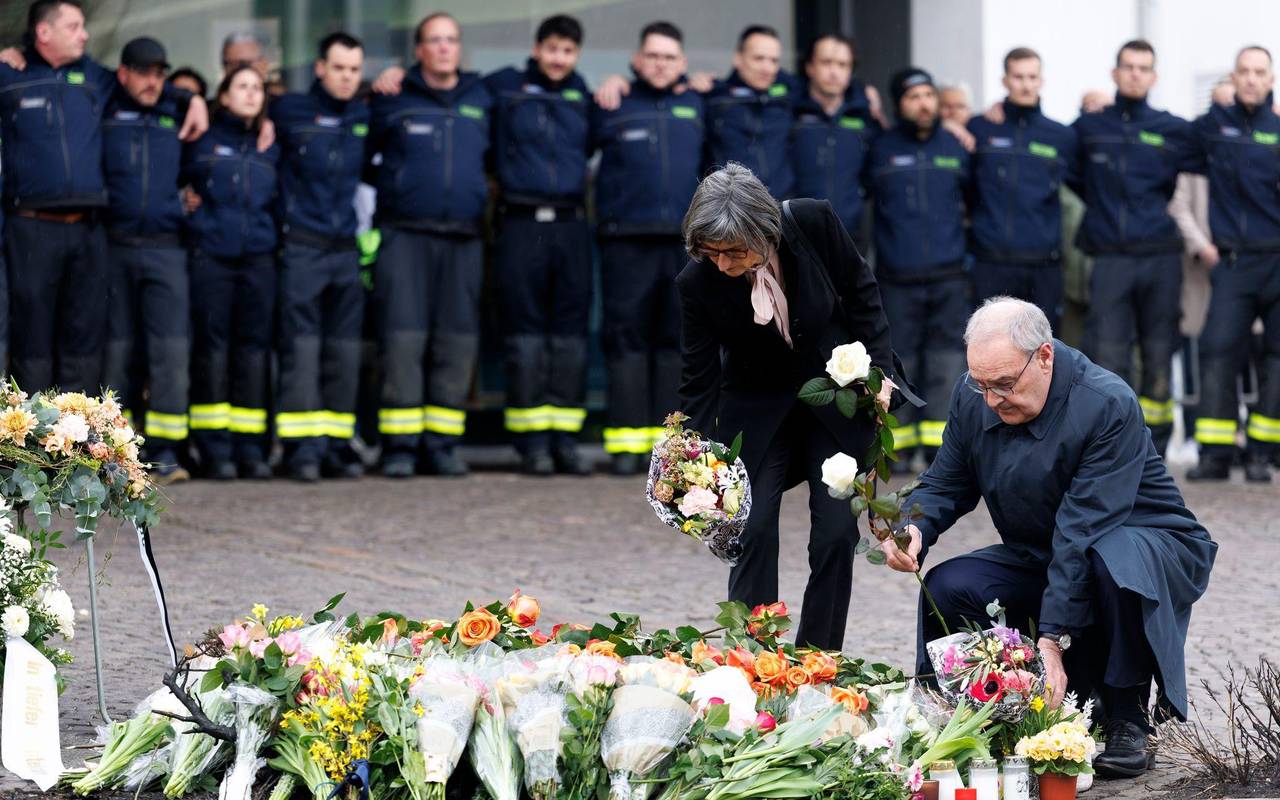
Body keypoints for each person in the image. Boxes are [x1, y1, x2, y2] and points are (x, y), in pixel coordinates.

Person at [892, 297, 1216, 779]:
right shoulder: (974, 395)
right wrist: (913, 526)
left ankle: (1128, 714)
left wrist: (1051, 641)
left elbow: (1083, 530)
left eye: (1004, 384)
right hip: (1045, 550)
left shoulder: (1107, 404)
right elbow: (946, 480)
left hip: (1143, 546)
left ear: (1044, 356)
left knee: (1111, 559)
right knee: (949, 584)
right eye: (981, 384)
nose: (992, 400)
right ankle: (968, 709)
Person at [677, 162, 918, 651]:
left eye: (734, 252)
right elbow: (698, 379)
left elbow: (862, 293)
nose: (722, 264)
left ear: (764, 232)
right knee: (753, 527)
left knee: (834, 536)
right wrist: (694, 462)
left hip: (833, 402)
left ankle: (818, 658)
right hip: (758, 410)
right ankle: (754, 653)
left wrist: (882, 376)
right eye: (711, 253)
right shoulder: (696, 283)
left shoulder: (812, 222)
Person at [0, 0, 206, 394]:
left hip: (88, 230)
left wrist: (190, 99)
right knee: (33, 336)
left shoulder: (96, 77)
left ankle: (78, 444)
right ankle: (30, 444)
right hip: (30, 228)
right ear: (44, 33)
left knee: (85, 337)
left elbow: (143, 84)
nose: (86, 34)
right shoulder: (11, 76)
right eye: (75, 26)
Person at [365, 13, 492, 478]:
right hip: (405, 234)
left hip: (462, 237)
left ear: (460, 48)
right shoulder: (392, 97)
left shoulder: (483, 96)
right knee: (402, 341)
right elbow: (364, 159)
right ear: (418, 50)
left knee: (455, 344)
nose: (443, 48)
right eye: (434, 41)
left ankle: (441, 445)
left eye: (451, 40)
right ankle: (399, 446)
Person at [592, 21, 704, 474]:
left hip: (685, 245)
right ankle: (625, 444)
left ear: (683, 63)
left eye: (669, 57)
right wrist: (608, 84)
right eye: (652, 56)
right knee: (627, 340)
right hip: (627, 241)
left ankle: (670, 450)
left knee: (676, 344)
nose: (660, 64)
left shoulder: (698, 105)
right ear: (637, 61)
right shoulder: (612, 104)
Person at [485, 15, 594, 475]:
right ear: (536, 48)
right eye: (551, 49)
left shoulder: (585, 97)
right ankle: (530, 442)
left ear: (576, 55)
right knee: (525, 333)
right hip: (521, 223)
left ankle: (564, 439)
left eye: (567, 51)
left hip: (570, 224)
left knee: (569, 333)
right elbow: (452, 91)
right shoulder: (504, 89)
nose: (558, 58)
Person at [1073, 40, 1193, 456]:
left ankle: (1154, 448)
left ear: (1154, 76)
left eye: (1144, 68)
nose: (1136, 74)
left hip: (1160, 255)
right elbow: (1063, 163)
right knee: (1107, 354)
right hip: (1110, 257)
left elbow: (1217, 147)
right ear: (1115, 73)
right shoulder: (1090, 128)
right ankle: (1112, 442)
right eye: (1129, 66)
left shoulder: (1173, 129)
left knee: (1160, 351)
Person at [270, 32, 370, 482]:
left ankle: (334, 446)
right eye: (340, 68)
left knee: (343, 353)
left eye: (355, 69)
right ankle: (301, 450)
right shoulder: (290, 110)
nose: (347, 77)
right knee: (302, 350)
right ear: (320, 68)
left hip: (345, 249)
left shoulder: (366, 113)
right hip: (304, 245)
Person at [864, 67, 970, 466]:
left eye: (929, 95)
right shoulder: (880, 149)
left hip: (948, 275)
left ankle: (943, 450)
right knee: (899, 362)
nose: (923, 103)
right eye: (913, 97)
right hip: (897, 277)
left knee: (946, 362)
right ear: (898, 104)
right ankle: (900, 447)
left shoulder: (957, 146)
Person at [101, 37, 193, 482]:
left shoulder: (176, 113)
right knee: (117, 350)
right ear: (123, 73)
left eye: (159, 73)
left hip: (166, 245)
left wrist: (191, 97)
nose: (152, 81)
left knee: (170, 351)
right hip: (114, 242)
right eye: (143, 71)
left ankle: (167, 452)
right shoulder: (104, 109)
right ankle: (115, 451)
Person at [1186, 46, 1280, 482]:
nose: (1251, 79)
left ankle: (1262, 452)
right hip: (1235, 263)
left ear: (1271, 79)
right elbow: (1166, 138)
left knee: (1278, 358)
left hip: (1277, 260)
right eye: (1244, 71)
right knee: (1217, 351)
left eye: (1260, 72)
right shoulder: (1212, 127)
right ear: (1233, 76)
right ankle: (1216, 454)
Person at [181, 65, 280, 480]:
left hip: (258, 259)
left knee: (253, 353)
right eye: (242, 86)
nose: (251, 93)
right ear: (222, 96)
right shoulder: (202, 140)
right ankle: (215, 449)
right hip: (213, 258)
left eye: (257, 87)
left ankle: (250, 448)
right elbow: (176, 184)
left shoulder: (271, 143)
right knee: (213, 352)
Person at [967, 48, 1078, 331]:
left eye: (1032, 77)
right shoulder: (979, 128)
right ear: (1005, 80)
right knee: (988, 347)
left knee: (1043, 350)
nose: (1026, 84)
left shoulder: (1062, 136)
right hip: (991, 263)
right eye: (1018, 77)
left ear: (1041, 81)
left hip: (1043, 266)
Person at [790, 34, 880, 245]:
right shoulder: (788, 112)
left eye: (842, 65)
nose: (834, 72)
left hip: (849, 236)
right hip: (795, 234)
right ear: (810, 67)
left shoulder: (865, 117)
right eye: (826, 62)